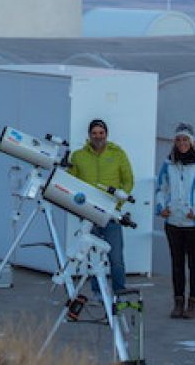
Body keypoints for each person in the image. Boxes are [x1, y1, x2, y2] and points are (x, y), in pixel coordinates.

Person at [154, 122, 195, 318]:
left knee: (194, 264)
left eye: (185, 139)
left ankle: (193, 303)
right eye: (178, 139)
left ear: (192, 141)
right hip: (173, 223)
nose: (182, 143)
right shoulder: (169, 164)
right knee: (176, 263)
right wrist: (161, 207)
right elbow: (161, 188)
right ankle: (178, 302)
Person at [69, 118, 135, 295]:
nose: (98, 136)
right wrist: (79, 207)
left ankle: (119, 291)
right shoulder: (78, 156)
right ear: (89, 135)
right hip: (89, 214)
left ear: (106, 134)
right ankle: (97, 292)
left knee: (116, 258)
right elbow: (71, 183)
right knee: (93, 257)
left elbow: (128, 180)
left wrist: (118, 202)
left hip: (111, 214)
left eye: (101, 133)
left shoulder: (117, 154)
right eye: (94, 133)